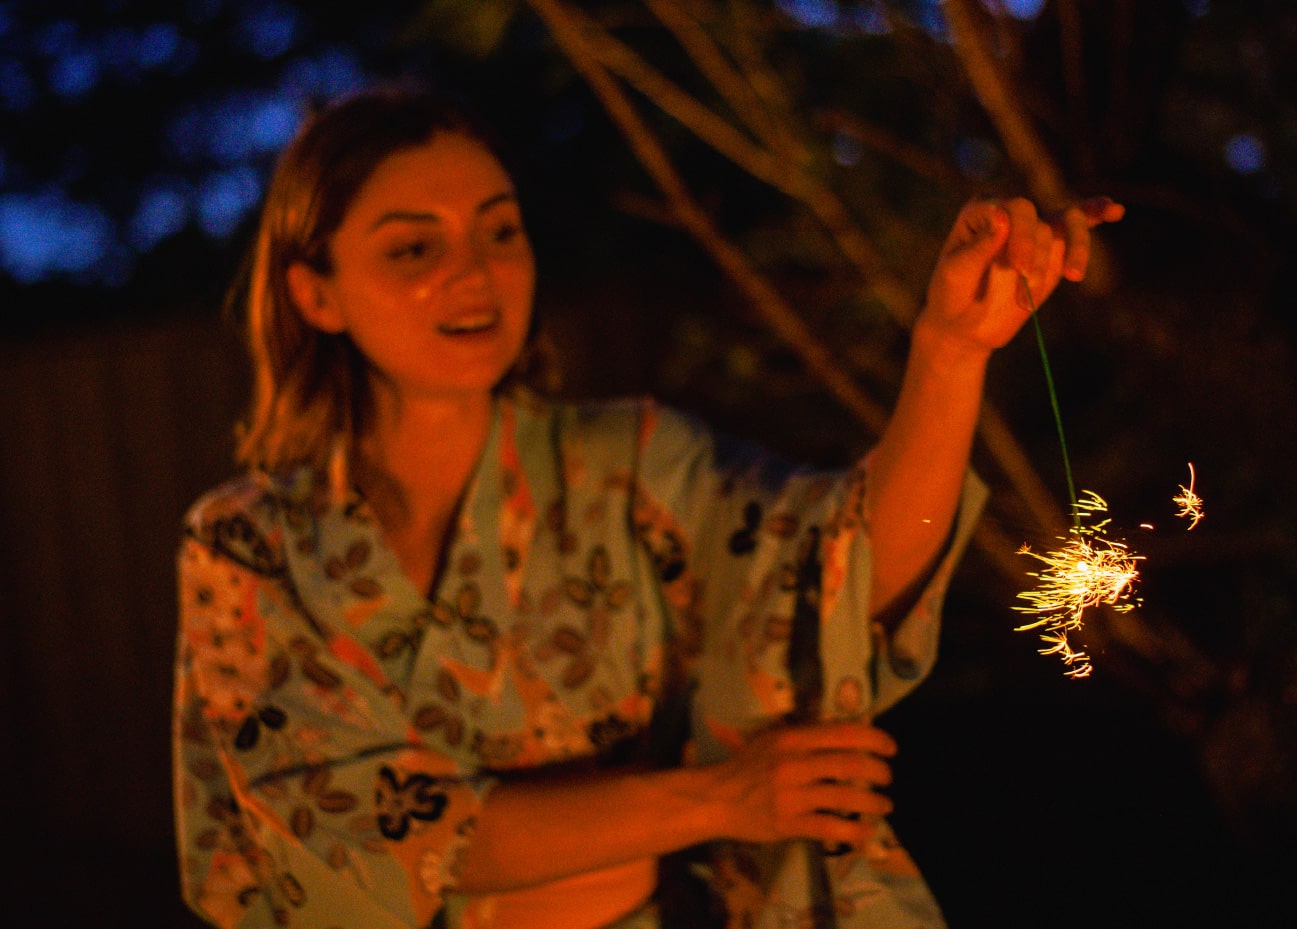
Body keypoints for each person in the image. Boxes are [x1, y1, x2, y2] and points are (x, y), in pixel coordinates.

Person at [172, 85, 1122, 929]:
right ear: (316, 292)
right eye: (414, 246)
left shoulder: (629, 469)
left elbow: (837, 576)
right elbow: (357, 827)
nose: (475, 271)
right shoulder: (250, 547)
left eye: (500, 231)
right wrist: (717, 798)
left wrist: (950, 347)